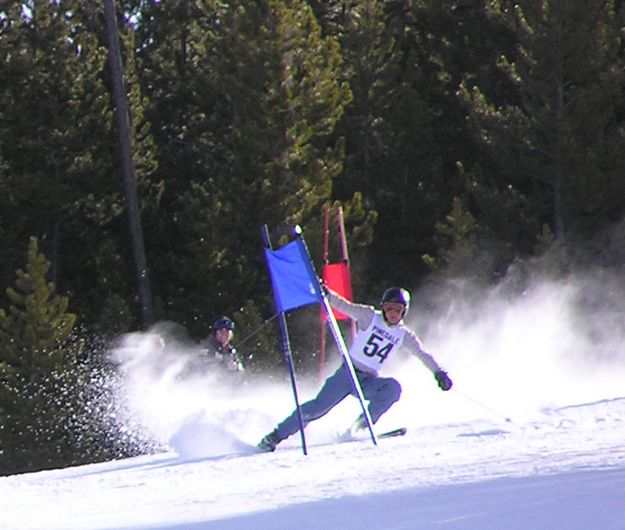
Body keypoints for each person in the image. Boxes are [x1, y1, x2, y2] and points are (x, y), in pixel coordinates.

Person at [257, 286, 452, 452]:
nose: (392, 313)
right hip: (347, 374)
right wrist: (327, 294)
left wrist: (439, 372)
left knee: (392, 388)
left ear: (404, 312)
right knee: (318, 408)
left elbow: (423, 354)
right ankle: (275, 436)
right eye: (389, 307)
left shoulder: (404, 335)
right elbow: (344, 306)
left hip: (368, 380)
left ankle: (359, 428)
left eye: (397, 309)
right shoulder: (369, 316)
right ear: (382, 307)